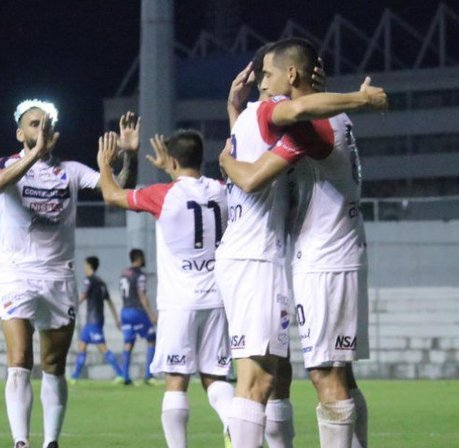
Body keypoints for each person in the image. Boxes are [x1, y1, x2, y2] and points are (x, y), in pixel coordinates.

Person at [216, 41, 386, 448]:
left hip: (321, 257)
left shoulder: (307, 125)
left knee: (317, 374)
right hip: (297, 255)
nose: (266, 86)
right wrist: (356, 99)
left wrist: (226, 155)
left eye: (270, 77)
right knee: (290, 376)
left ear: (291, 75)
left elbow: (261, 159)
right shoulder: (305, 118)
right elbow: (284, 121)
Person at [0, 99, 131, 448]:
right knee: (20, 359)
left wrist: (127, 155)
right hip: (16, 275)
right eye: (34, 124)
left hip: (58, 277)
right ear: (21, 133)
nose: (41, 129)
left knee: (54, 364)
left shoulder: (72, 170)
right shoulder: (6, 164)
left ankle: (51, 442)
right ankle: (21, 442)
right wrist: (33, 156)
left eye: (46, 123)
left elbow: (116, 190)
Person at [97, 121, 235, 448]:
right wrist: (172, 170)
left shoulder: (162, 195)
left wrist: (106, 165)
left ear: (171, 161)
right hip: (218, 299)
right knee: (215, 378)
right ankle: (239, 430)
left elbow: (111, 194)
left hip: (179, 302)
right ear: (200, 159)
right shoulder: (222, 189)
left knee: (176, 382)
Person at [70, 256, 123, 383]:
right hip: (94, 320)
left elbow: (83, 295)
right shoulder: (101, 282)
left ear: (89, 266)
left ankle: (121, 374)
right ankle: (74, 377)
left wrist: (71, 307)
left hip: (93, 320)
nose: (84, 267)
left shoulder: (89, 281)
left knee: (102, 348)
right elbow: (109, 302)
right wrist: (116, 319)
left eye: (85, 265)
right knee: (82, 346)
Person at [118, 248, 157, 385]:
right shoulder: (140, 275)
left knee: (128, 342)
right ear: (139, 258)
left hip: (125, 311)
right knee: (152, 339)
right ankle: (148, 375)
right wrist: (151, 314)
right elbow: (142, 295)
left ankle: (125, 376)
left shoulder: (124, 273)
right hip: (137, 311)